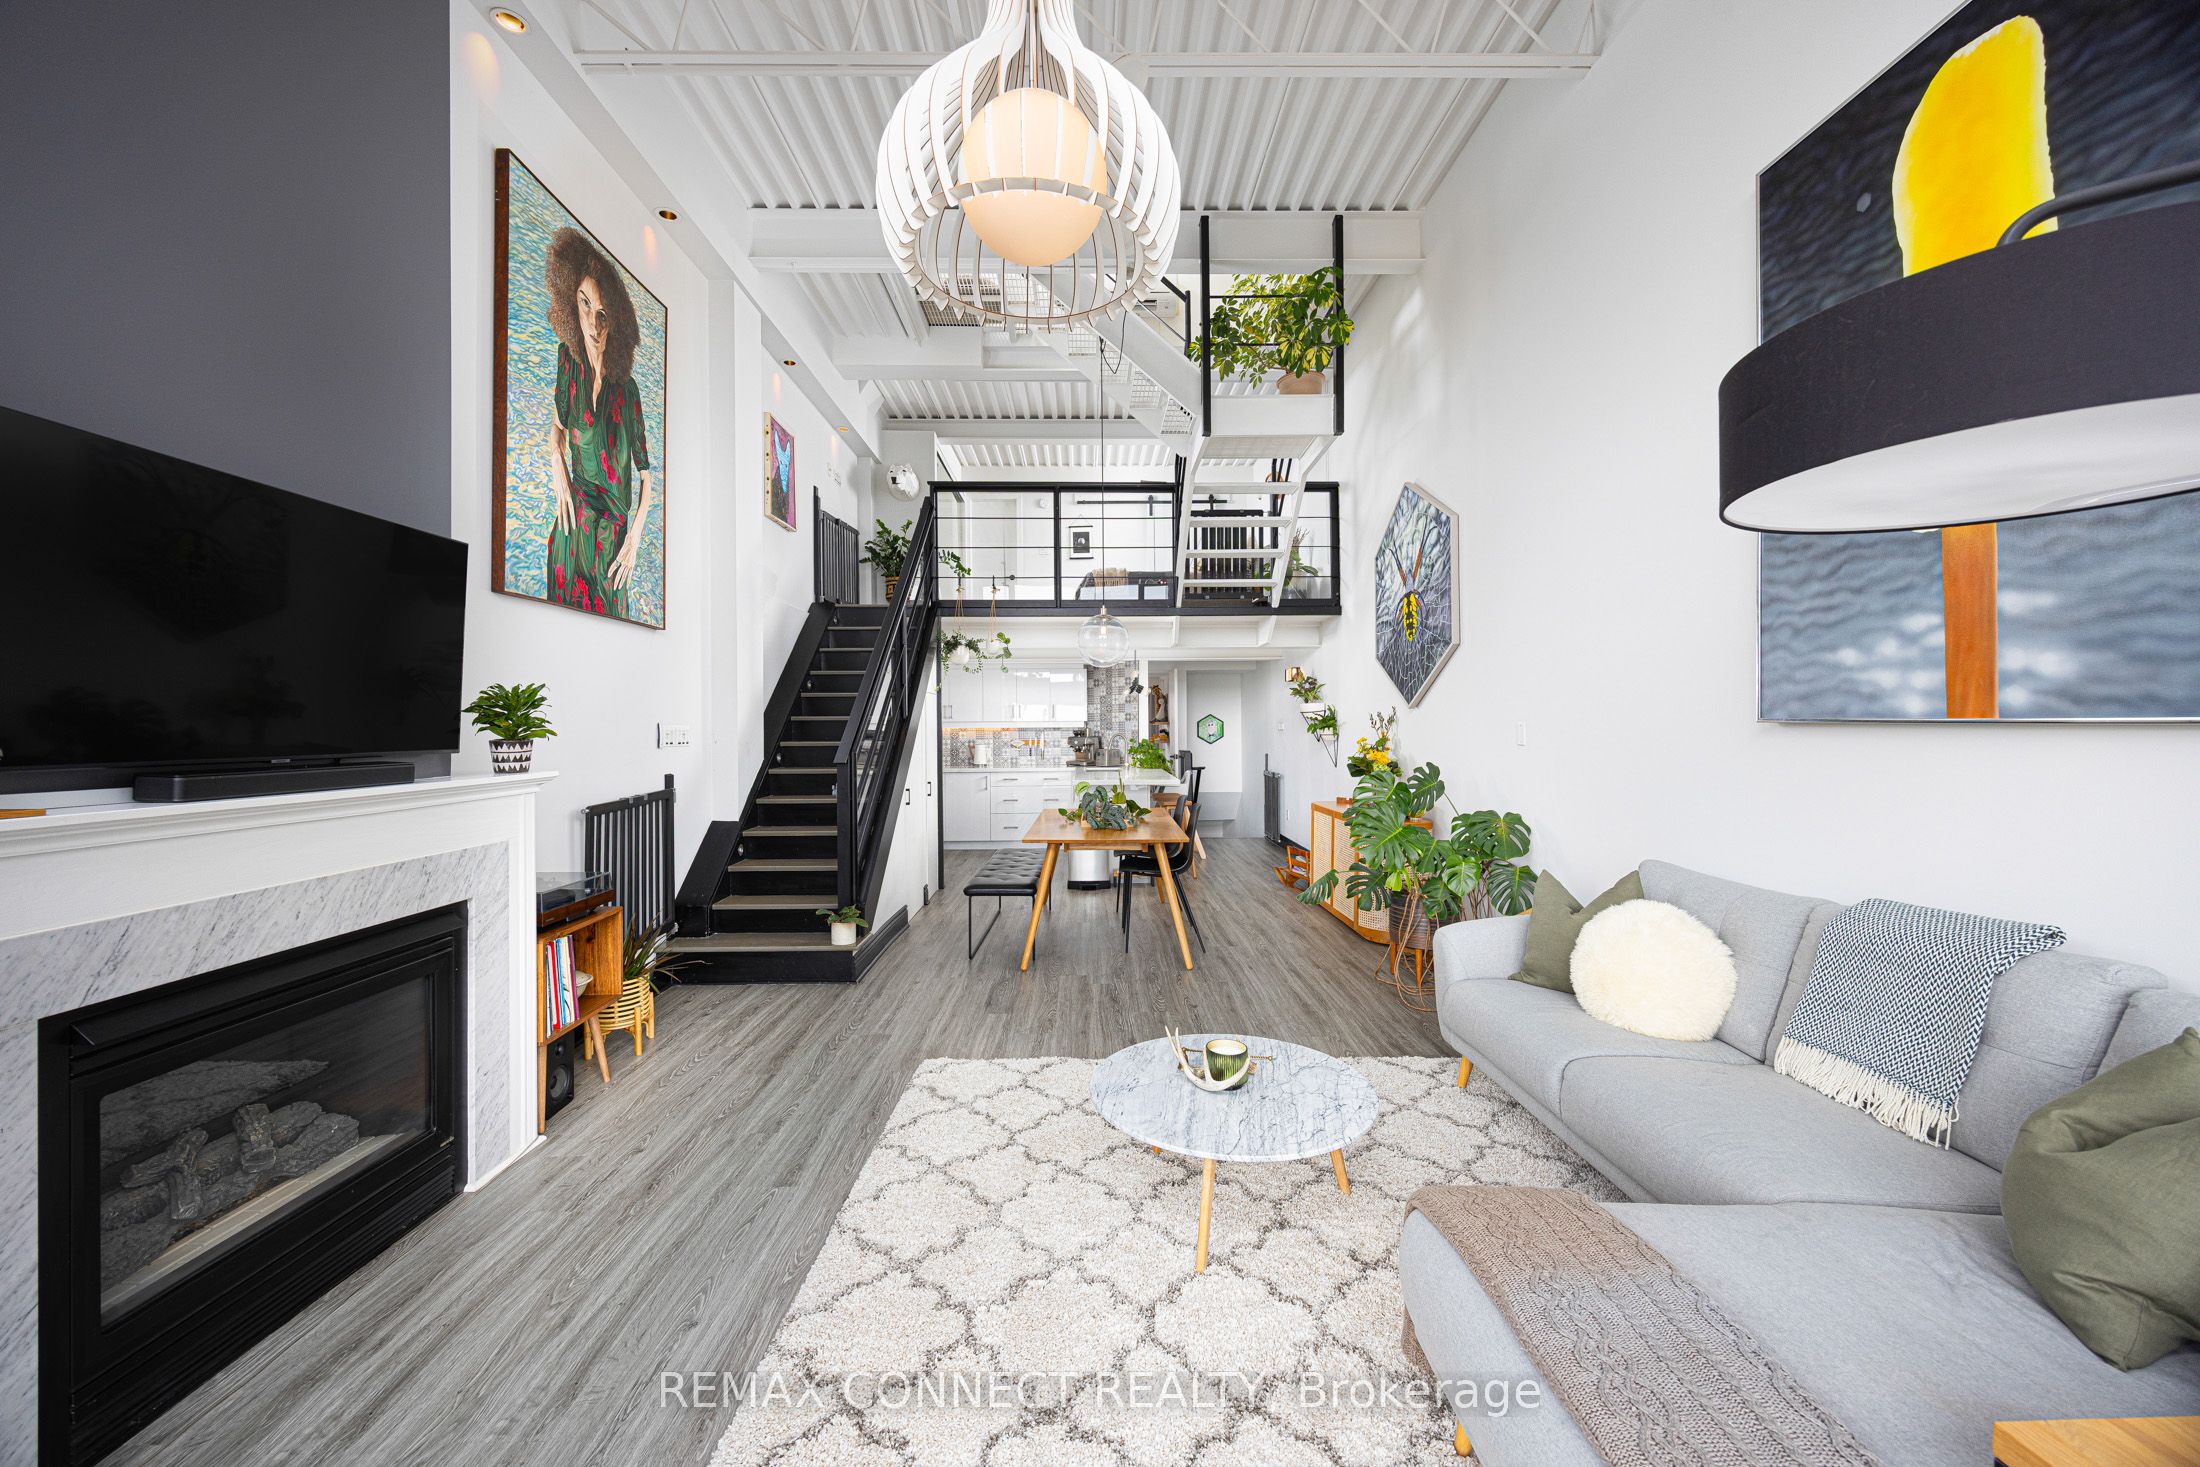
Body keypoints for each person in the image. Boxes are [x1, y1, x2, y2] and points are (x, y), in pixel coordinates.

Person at [544, 227, 652, 618]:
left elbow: (646, 477)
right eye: (585, 304)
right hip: (573, 525)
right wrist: (557, 463)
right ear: (570, 303)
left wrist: (635, 536)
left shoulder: (627, 392)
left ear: (615, 324)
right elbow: (557, 428)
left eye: (603, 314)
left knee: (610, 616)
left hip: (612, 532)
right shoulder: (569, 364)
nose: (593, 323)